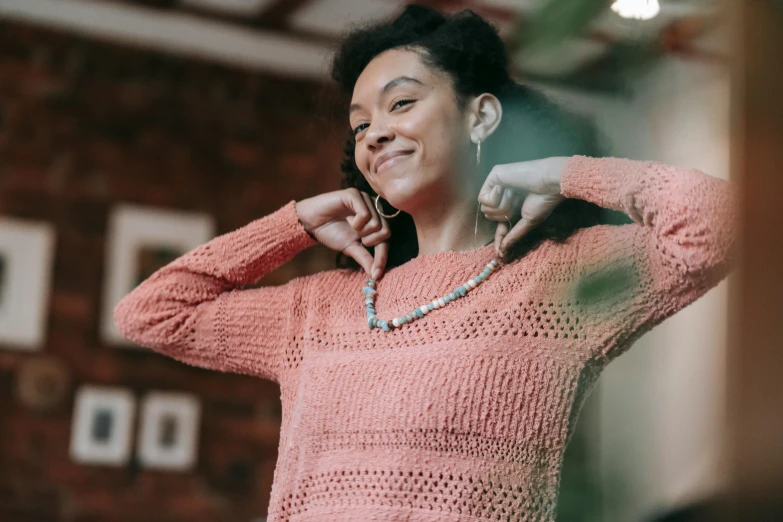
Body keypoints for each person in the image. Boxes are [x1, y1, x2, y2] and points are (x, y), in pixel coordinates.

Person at [113, 6, 739, 522]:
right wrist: (294, 222)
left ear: (481, 116)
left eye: (401, 104)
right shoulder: (321, 307)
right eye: (360, 126)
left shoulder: (555, 281)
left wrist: (564, 173)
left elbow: (725, 224)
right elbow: (151, 314)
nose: (374, 134)